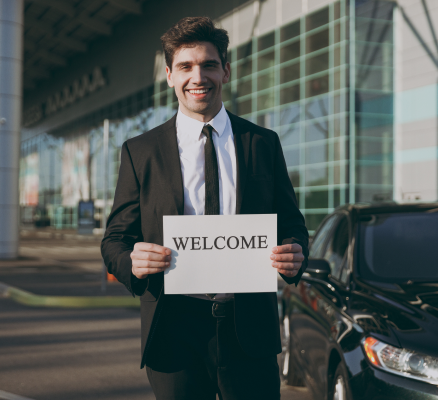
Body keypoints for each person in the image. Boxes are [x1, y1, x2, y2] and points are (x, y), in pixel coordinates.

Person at [101, 16, 309, 400]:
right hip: (174, 329)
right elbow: (115, 240)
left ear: (225, 71)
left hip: (249, 330)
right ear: (169, 75)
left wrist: (295, 251)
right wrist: (132, 260)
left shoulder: (263, 143)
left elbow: (293, 225)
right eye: (185, 66)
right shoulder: (140, 151)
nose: (198, 77)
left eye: (208, 65)